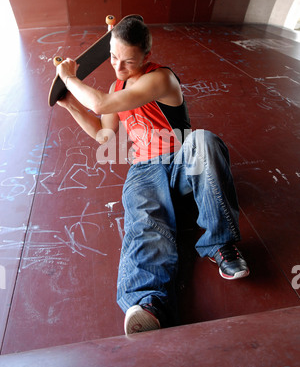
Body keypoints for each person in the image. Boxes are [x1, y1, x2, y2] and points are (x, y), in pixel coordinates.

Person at [56, 18, 249, 335]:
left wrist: (70, 77)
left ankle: (222, 245)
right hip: (145, 169)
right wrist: (69, 105)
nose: (118, 68)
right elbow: (105, 135)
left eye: (127, 61)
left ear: (145, 56)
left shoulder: (160, 78)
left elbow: (101, 103)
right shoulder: (116, 88)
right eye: (113, 57)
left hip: (182, 163)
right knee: (145, 220)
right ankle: (149, 304)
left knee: (204, 141)